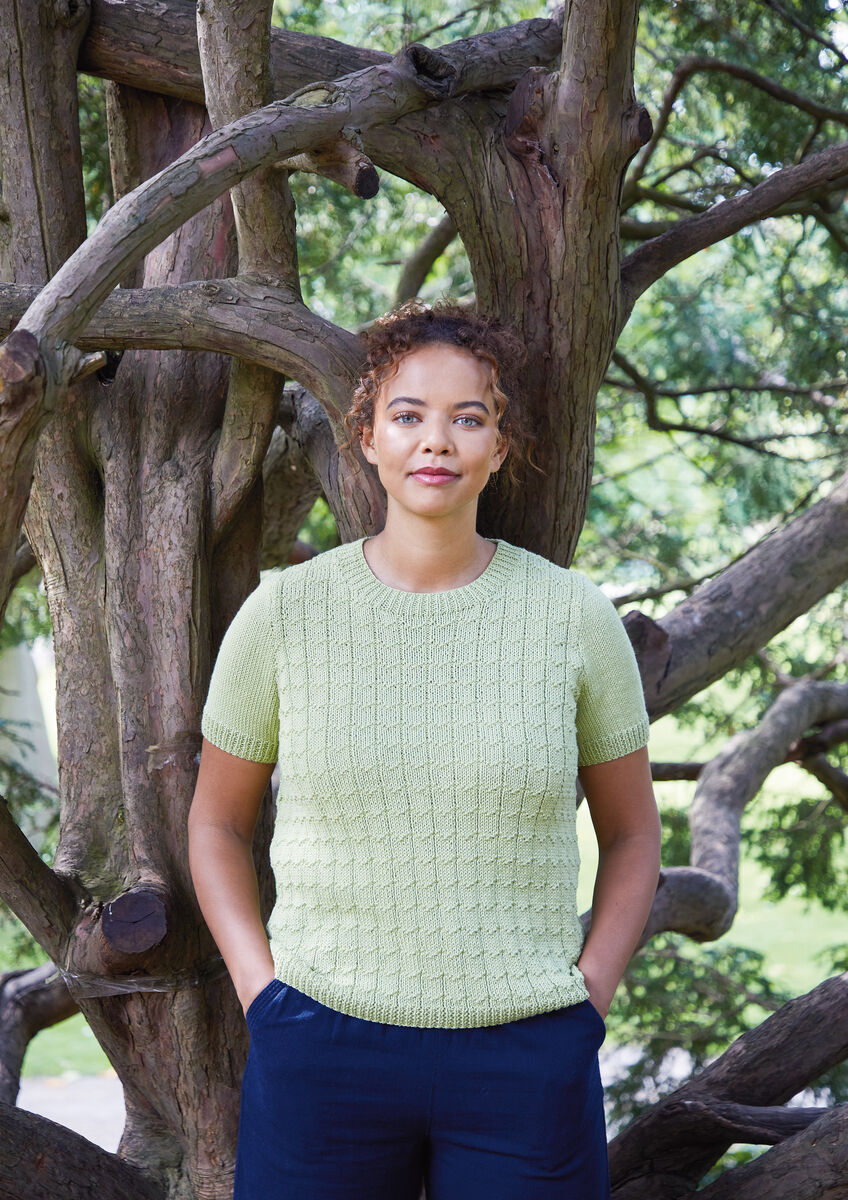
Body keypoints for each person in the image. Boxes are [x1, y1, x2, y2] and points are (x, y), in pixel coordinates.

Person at [188, 297, 662, 1200]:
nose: (435, 441)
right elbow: (215, 824)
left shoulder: (572, 617)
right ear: (368, 437)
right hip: (321, 1044)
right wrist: (263, 993)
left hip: (527, 1054)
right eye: (408, 416)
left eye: (467, 418)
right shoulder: (285, 614)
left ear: (500, 446)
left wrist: (586, 1003)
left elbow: (635, 835)